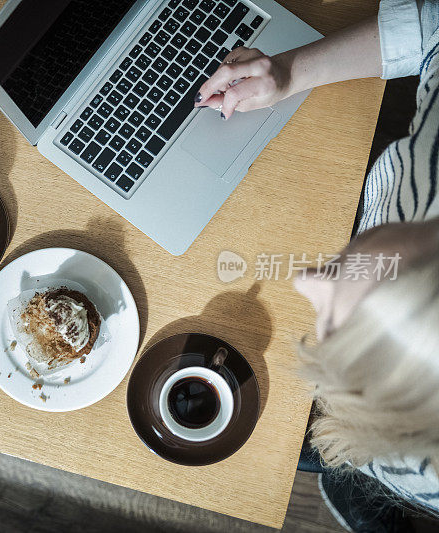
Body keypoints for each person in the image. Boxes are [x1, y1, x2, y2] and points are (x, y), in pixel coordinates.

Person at [196, 0, 439, 529]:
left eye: (333, 325)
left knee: (337, 460)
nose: (305, 280)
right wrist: (288, 72)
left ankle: (360, 484)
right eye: (345, 282)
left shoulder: (423, 469)